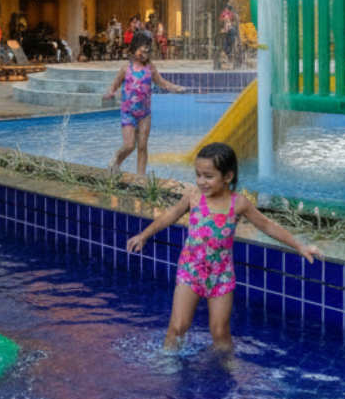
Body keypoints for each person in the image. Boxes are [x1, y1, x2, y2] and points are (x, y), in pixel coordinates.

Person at [126, 142, 323, 354]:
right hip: (190, 271)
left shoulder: (238, 203)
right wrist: (144, 235)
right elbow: (171, 214)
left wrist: (299, 246)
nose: (202, 181)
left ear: (227, 177)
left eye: (208, 176)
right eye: (198, 175)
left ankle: (226, 369)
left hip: (221, 275)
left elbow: (267, 225)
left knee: (220, 332)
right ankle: (166, 362)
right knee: (178, 327)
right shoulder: (193, 197)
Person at [103, 31, 185, 179]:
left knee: (142, 147)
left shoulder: (150, 68)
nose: (144, 53)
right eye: (141, 49)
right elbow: (114, 85)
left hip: (144, 114)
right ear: (134, 49)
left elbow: (161, 82)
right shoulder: (126, 68)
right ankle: (116, 158)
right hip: (128, 113)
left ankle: (140, 177)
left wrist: (175, 88)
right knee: (129, 145)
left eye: (147, 50)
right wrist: (110, 93)